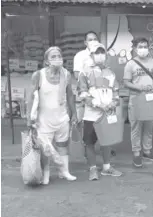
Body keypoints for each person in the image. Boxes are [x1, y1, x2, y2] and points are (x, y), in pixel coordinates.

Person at [26, 46, 78, 185]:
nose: (57, 59)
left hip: (61, 117)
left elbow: (70, 96)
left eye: (59, 56)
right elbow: (30, 98)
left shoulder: (66, 74)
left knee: (62, 145)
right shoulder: (38, 75)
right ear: (46, 61)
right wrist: (29, 118)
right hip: (44, 120)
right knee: (46, 149)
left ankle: (64, 171)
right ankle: (46, 174)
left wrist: (74, 114)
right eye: (53, 57)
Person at [78, 42, 122, 180]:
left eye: (102, 52)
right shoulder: (84, 72)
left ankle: (107, 168)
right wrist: (98, 104)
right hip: (91, 115)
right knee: (89, 143)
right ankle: (92, 169)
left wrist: (113, 104)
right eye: (97, 53)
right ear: (91, 54)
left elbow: (116, 92)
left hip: (108, 114)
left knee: (107, 141)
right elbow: (82, 94)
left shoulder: (111, 73)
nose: (100, 55)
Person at [123, 37, 153, 168]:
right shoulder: (130, 64)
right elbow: (126, 82)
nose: (143, 49)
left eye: (145, 46)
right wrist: (140, 88)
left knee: (149, 126)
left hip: (150, 98)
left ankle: (147, 151)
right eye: (140, 46)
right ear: (135, 48)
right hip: (136, 98)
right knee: (136, 127)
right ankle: (136, 152)